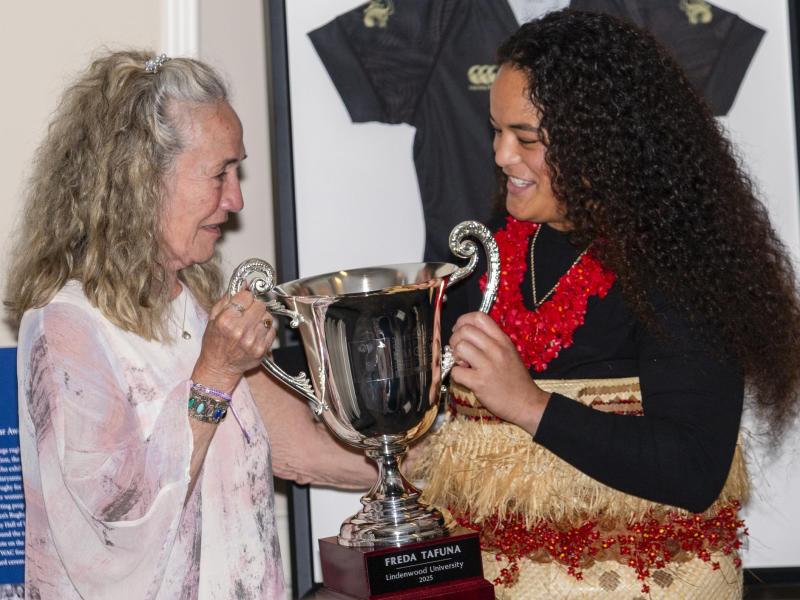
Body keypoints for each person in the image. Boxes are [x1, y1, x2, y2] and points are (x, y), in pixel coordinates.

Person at [413, 10, 800, 599]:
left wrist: (528, 405)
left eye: (526, 138)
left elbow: (693, 469)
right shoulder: (492, 253)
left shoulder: (677, 265)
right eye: (496, 130)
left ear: (602, 141)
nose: (501, 155)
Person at [4, 50, 373, 599]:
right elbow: (110, 530)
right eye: (219, 173)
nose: (236, 198)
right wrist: (215, 373)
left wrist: (449, 466)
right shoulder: (66, 327)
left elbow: (302, 447)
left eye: (237, 170)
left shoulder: (196, 305)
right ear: (141, 180)